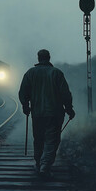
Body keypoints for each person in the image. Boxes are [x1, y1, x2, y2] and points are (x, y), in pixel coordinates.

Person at [19, 49, 75, 177]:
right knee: (51, 140)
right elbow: (65, 94)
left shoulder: (30, 73)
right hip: (55, 113)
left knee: (38, 139)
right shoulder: (56, 73)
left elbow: (23, 92)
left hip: (37, 113)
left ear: (38, 58)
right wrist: (69, 109)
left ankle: (39, 163)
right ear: (49, 58)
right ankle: (45, 165)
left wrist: (25, 106)